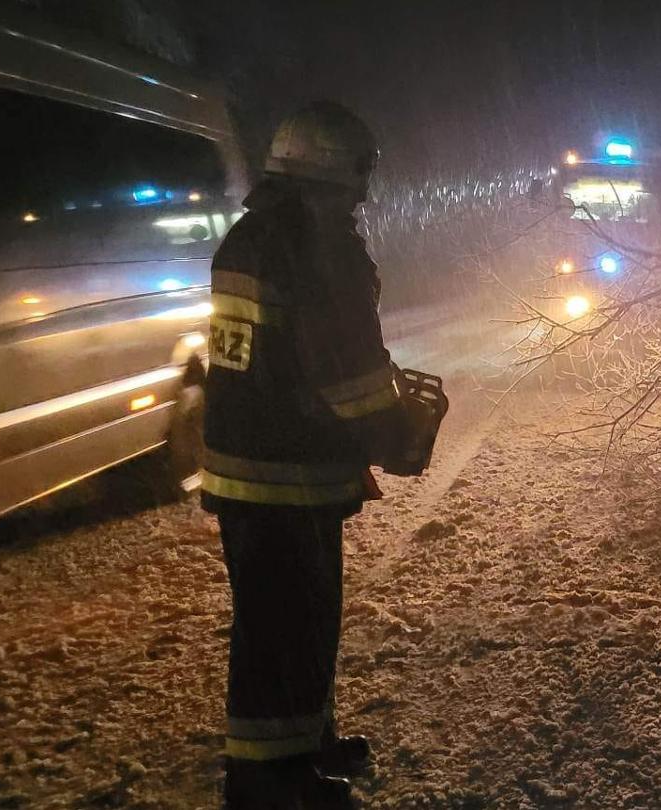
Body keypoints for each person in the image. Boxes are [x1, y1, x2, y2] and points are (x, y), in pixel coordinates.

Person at [201, 100, 438, 808]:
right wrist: (398, 436)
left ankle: (303, 745)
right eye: (360, 174)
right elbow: (348, 374)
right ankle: (268, 783)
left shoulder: (252, 237)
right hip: (287, 474)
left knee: (289, 623)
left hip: (250, 467)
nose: (363, 193)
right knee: (285, 631)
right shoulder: (314, 246)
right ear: (336, 171)